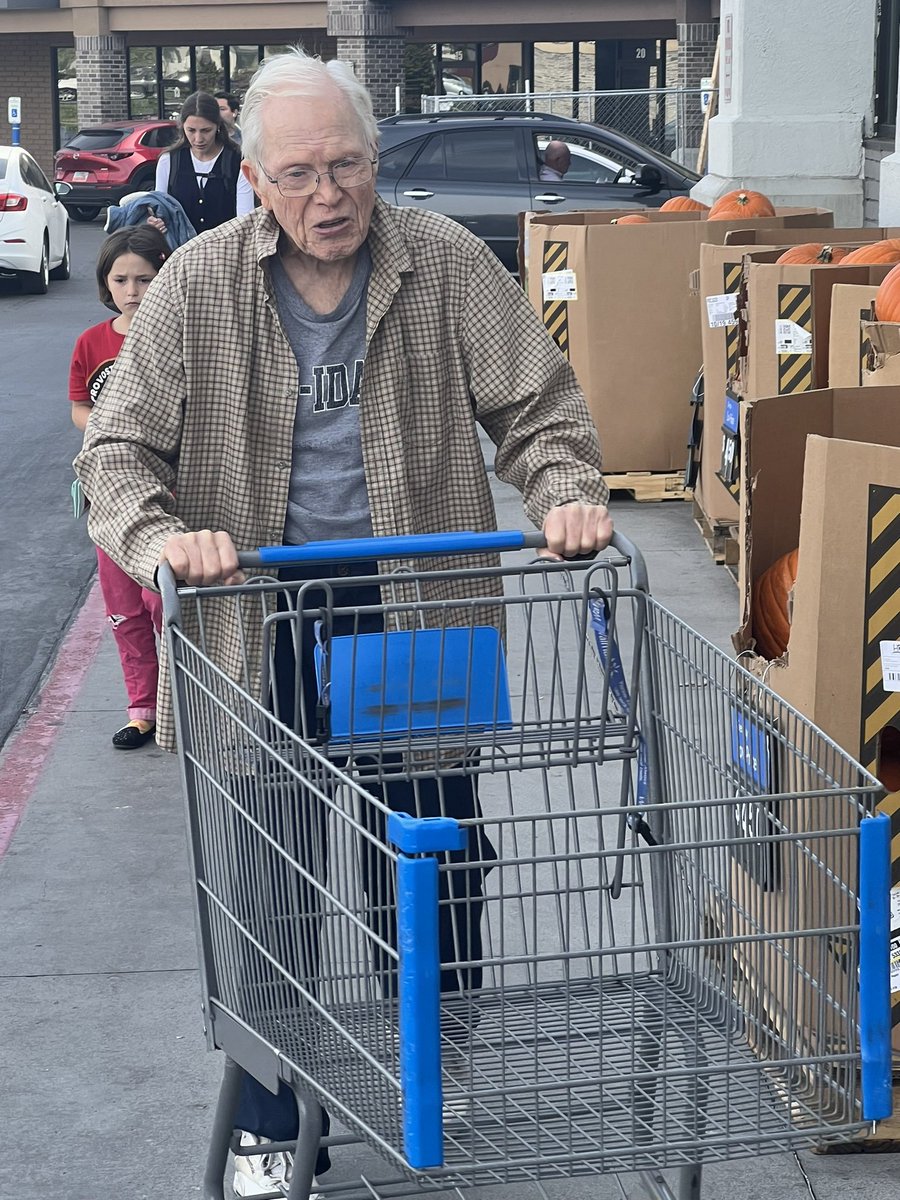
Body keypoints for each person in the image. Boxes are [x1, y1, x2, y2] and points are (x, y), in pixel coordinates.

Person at [75, 47, 612, 1197]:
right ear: (256, 180)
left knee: (436, 858)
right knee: (266, 877)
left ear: (378, 159)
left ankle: (433, 1060)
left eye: (351, 166)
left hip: (414, 606)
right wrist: (167, 537)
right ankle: (273, 1113)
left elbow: (540, 406)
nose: (332, 195)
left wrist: (563, 491)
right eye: (304, 172)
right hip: (256, 615)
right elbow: (114, 453)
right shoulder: (197, 285)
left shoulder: (447, 263)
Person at [69, 225, 171, 749]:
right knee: (124, 607)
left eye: (146, 279)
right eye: (122, 279)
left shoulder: (175, 338)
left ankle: (182, 704)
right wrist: (111, 432)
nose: (133, 291)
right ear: (106, 284)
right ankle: (142, 709)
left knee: (164, 604)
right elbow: (79, 407)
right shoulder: (92, 342)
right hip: (108, 497)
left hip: (163, 494)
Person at [152, 91, 254, 236]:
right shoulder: (168, 161)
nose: (198, 139)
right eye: (191, 130)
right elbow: (161, 210)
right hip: (180, 253)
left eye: (206, 130)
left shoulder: (238, 161)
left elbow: (245, 220)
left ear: (218, 126)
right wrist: (157, 222)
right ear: (183, 127)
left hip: (225, 251)